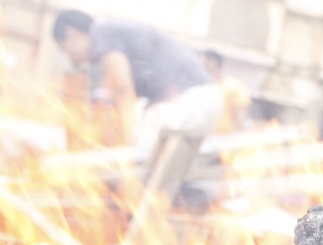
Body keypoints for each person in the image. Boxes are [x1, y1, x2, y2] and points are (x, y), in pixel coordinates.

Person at [52, 10, 223, 162]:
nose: (70, 58)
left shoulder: (101, 32)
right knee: (158, 167)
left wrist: (125, 142)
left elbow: (122, 88)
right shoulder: (111, 37)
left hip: (187, 98)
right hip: (200, 98)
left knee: (138, 162)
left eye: (64, 49)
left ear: (70, 33)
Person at [202, 49, 251, 134]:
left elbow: (240, 121)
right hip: (202, 137)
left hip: (224, 139)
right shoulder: (202, 88)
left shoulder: (234, 87)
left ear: (212, 63)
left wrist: (232, 139)